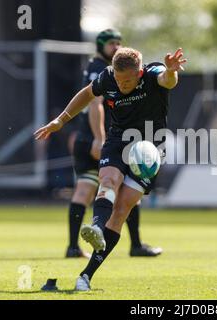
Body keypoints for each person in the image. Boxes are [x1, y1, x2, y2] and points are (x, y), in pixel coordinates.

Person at [35, 47, 187, 291]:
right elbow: (86, 94)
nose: (122, 85)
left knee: (122, 209)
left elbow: (167, 80)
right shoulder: (107, 77)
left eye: (127, 80)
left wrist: (171, 70)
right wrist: (60, 120)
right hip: (117, 141)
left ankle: (85, 276)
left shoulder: (153, 72)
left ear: (139, 73)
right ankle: (95, 226)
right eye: (118, 80)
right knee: (107, 180)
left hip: (149, 148)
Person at [65, 29, 162, 259]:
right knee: (109, 189)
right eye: (111, 43)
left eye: (119, 42)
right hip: (100, 138)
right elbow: (95, 104)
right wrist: (99, 137)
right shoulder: (104, 71)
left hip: (94, 137)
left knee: (106, 190)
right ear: (100, 46)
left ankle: (75, 246)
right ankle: (131, 244)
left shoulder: (95, 66)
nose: (116, 47)